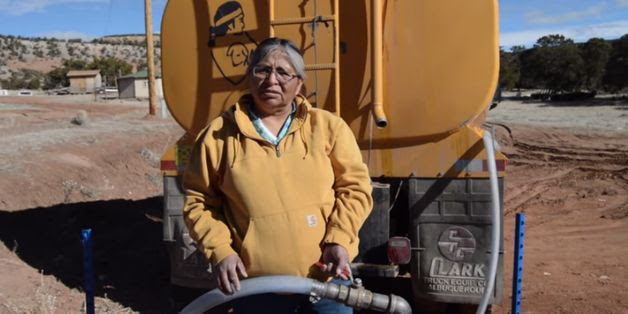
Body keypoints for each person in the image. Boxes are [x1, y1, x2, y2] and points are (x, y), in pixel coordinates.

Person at [183, 37, 373, 313]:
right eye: (262, 70)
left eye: (283, 72)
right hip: (257, 289)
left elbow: (354, 189)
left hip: (328, 283)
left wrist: (339, 239)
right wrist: (221, 251)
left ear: (299, 83)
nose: (272, 80)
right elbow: (199, 202)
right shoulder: (217, 136)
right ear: (249, 76)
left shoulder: (329, 127)